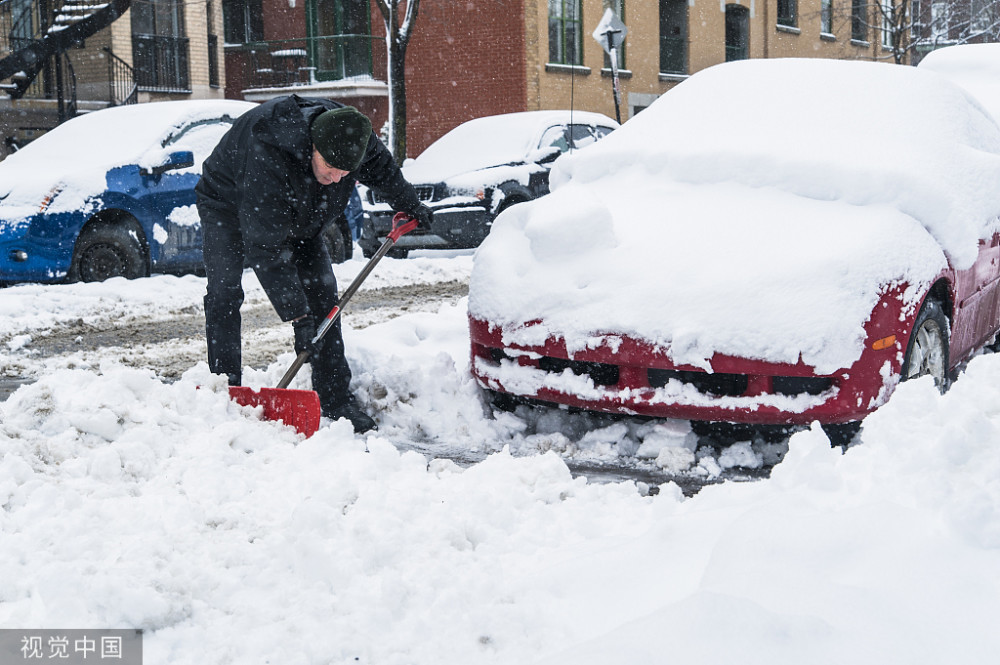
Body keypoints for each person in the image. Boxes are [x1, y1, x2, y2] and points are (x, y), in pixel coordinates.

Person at [195, 95, 431, 433]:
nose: (337, 179)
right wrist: (298, 317)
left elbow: (385, 174)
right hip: (227, 203)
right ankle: (225, 387)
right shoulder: (269, 150)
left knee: (324, 293)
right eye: (330, 169)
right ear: (312, 149)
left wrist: (411, 205)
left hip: (301, 210)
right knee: (224, 291)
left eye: (345, 174)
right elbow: (266, 247)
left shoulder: (354, 138)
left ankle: (336, 398)